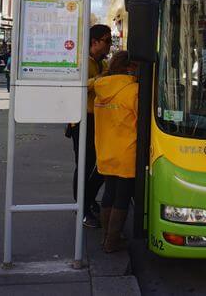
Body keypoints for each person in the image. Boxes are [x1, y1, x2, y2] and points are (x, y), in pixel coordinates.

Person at [67, 24, 112, 228]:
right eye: (107, 40)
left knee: (101, 164)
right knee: (84, 165)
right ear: (95, 42)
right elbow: (78, 86)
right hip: (82, 120)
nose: (110, 44)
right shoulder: (83, 61)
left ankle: (88, 200)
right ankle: (82, 210)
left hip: (99, 120)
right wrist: (100, 80)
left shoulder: (102, 63)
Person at [94, 50, 139, 252]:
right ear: (129, 67)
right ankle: (112, 241)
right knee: (123, 196)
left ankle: (106, 237)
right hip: (126, 150)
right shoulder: (133, 90)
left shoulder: (101, 88)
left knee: (109, 192)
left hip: (105, 149)